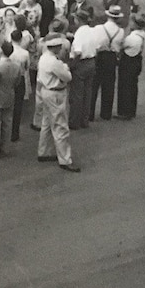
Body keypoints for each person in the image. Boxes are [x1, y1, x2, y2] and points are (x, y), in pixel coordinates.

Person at [36, 34, 80, 172]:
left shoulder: (44, 58)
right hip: (56, 93)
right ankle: (65, 159)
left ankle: (44, 151)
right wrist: (66, 68)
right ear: (55, 47)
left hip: (45, 91)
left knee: (47, 123)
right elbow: (68, 77)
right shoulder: (54, 62)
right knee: (60, 126)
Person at [91, 6, 125, 121]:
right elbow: (119, 46)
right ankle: (106, 113)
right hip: (112, 57)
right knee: (109, 85)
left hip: (100, 56)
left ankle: (90, 112)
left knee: (94, 84)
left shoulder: (99, 28)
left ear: (108, 16)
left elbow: (95, 43)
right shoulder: (121, 31)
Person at [68, 10, 98, 130]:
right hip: (91, 61)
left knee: (77, 95)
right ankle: (84, 120)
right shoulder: (92, 30)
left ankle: (74, 122)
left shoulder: (79, 33)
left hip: (81, 64)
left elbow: (78, 52)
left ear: (78, 20)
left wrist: (72, 66)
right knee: (87, 93)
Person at [116, 15, 145, 120]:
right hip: (137, 60)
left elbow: (121, 46)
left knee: (125, 86)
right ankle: (131, 110)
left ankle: (124, 111)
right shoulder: (144, 36)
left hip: (128, 61)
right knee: (133, 86)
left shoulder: (131, 38)